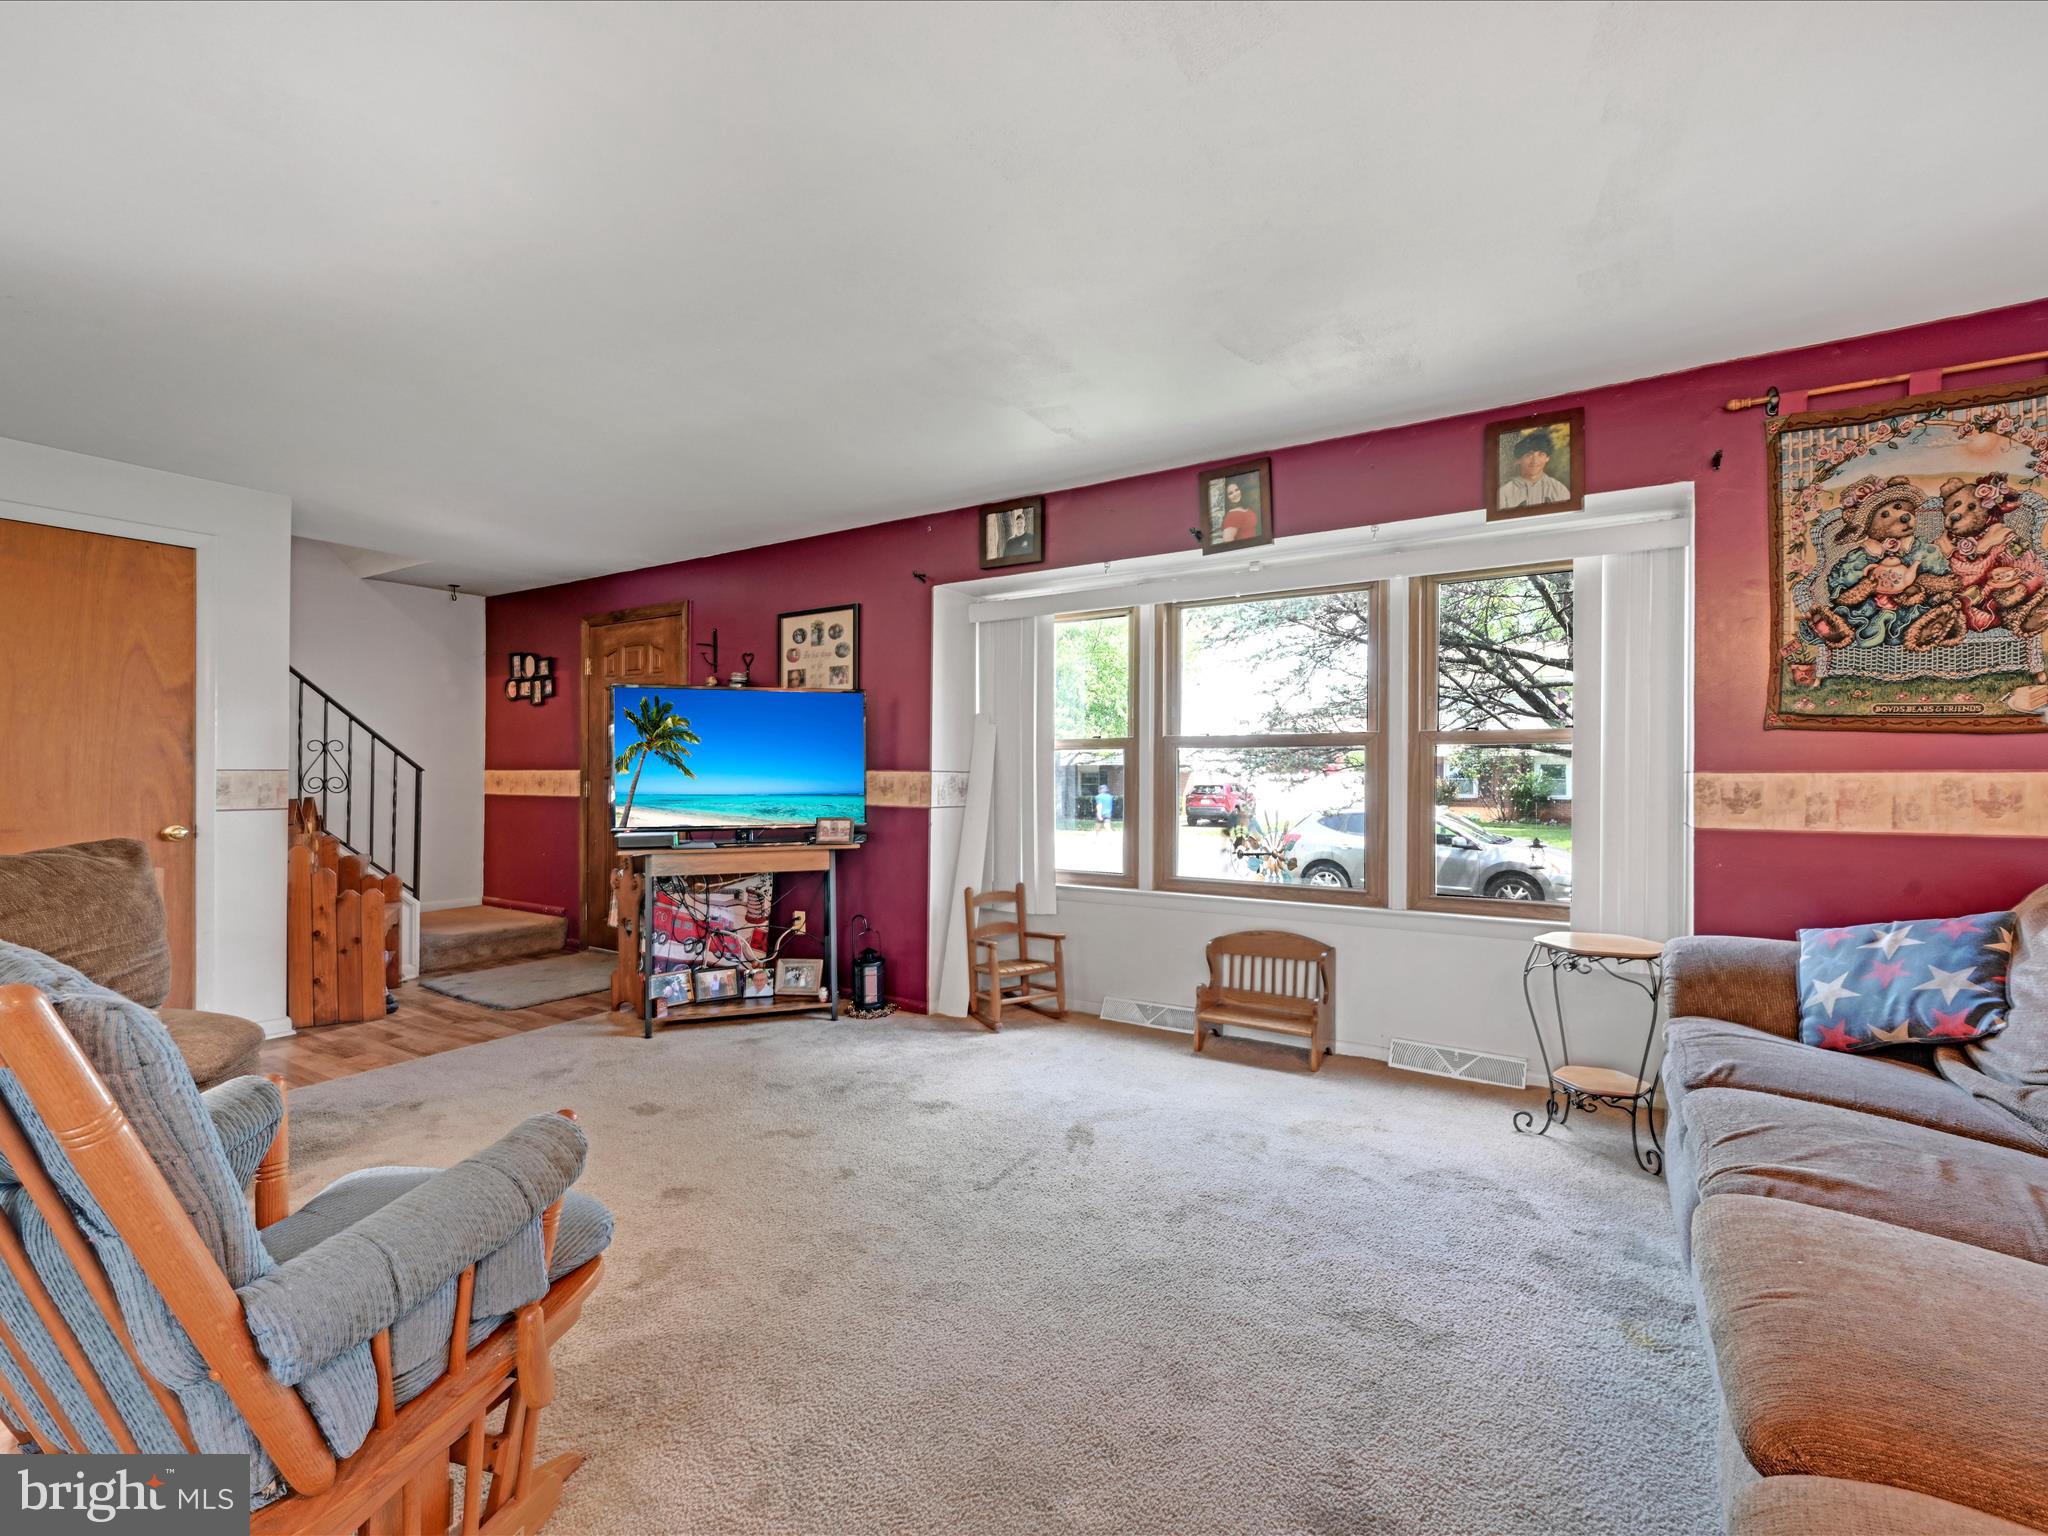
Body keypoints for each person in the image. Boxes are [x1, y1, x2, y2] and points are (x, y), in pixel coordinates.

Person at [1496, 429, 1571, 509]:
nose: (1535, 461)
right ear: (1518, 460)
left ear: (1547, 458)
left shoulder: (1559, 489)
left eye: (1541, 454)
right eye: (1528, 455)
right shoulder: (1504, 492)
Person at [1213, 476, 1262, 543]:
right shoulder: (1232, 515)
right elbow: (1228, 542)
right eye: (1230, 493)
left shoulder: (1245, 507)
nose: (1235, 494)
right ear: (1227, 497)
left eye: (1237, 490)